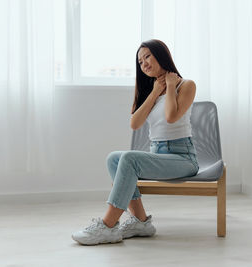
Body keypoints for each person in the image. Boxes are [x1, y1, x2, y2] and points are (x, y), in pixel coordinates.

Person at [72, 39, 199, 245]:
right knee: (114, 158)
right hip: (157, 153)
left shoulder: (186, 85)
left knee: (129, 158)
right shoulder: (150, 90)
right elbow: (135, 123)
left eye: (147, 56)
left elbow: (171, 116)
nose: (144, 64)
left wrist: (169, 85)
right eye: (140, 62)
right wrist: (156, 91)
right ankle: (141, 222)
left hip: (182, 157)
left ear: (161, 54)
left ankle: (108, 225)